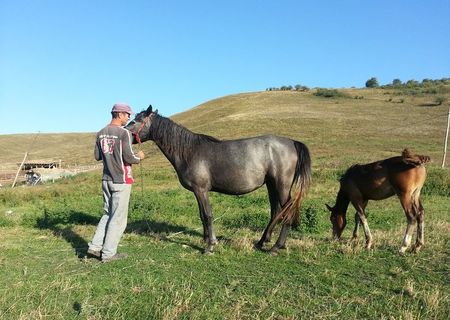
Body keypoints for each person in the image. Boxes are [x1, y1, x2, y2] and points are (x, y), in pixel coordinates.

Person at [87, 102, 145, 262]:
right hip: (121, 180)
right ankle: (108, 254)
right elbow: (129, 157)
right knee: (118, 218)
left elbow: (97, 156)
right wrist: (139, 157)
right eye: (127, 114)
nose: (128, 118)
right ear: (119, 114)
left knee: (107, 213)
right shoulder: (123, 133)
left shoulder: (100, 133)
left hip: (106, 179)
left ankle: (94, 246)